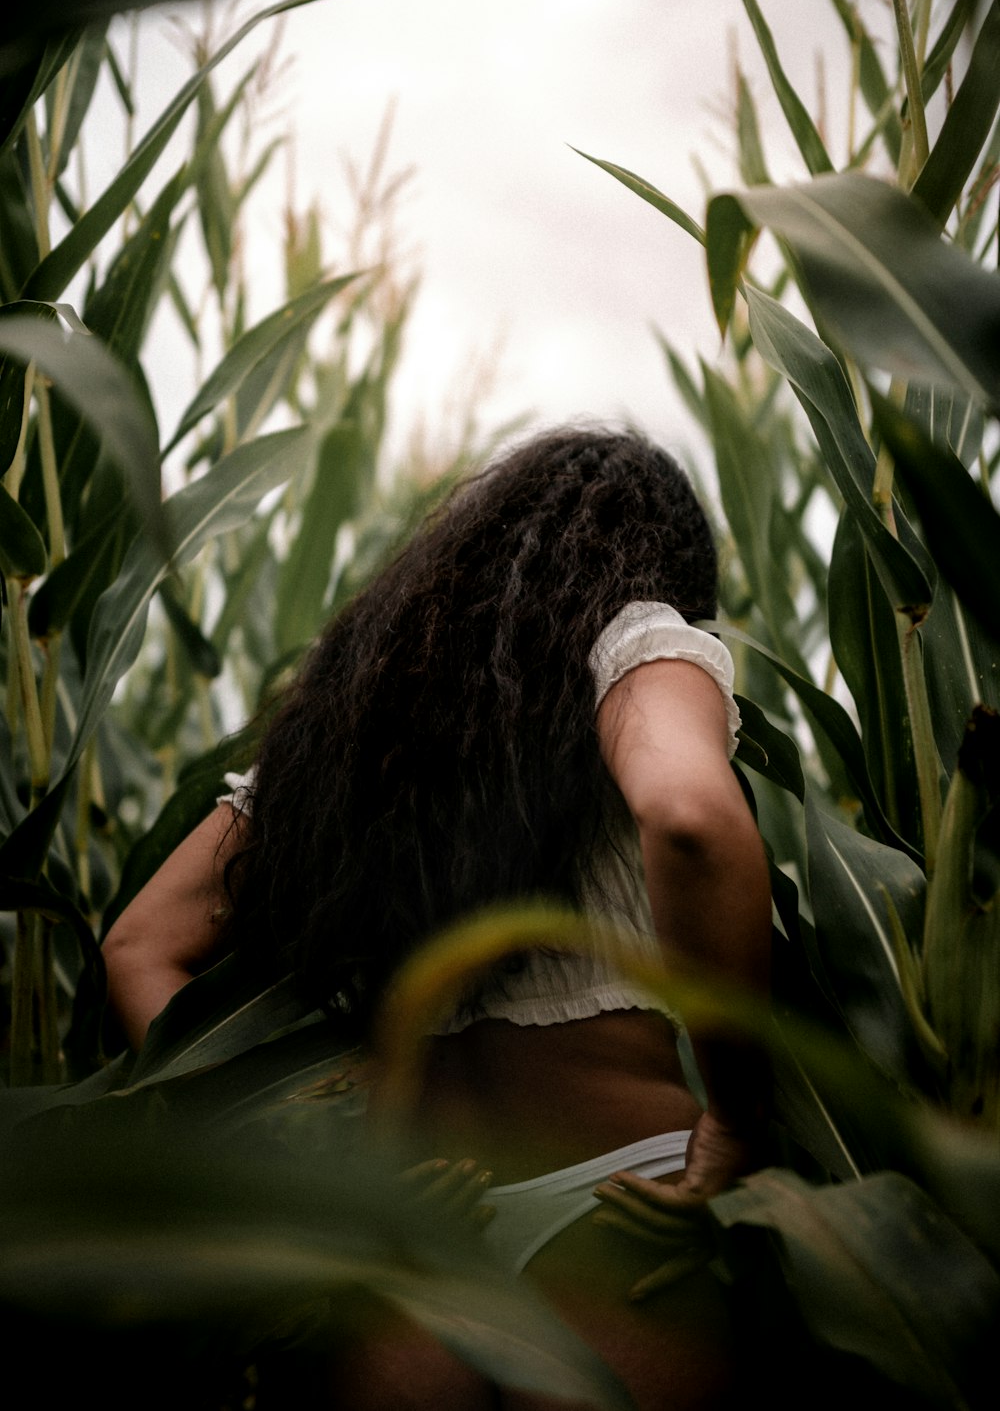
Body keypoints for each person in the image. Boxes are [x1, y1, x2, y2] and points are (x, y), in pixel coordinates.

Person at [102, 429, 772, 1410]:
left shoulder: (355, 718)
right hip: (623, 1207)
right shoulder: (637, 642)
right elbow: (688, 816)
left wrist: (311, 1166)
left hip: (408, 1238)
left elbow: (138, 946)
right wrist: (741, 1117)